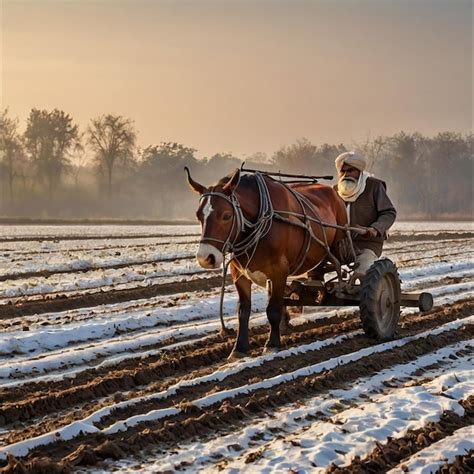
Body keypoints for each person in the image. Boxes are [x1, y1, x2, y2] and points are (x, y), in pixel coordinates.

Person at [334, 151, 396, 281]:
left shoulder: (374, 186)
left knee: (363, 271)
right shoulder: (335, 191)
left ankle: (364, 294)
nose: (346, 175)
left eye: (351, 171)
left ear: (359, 171)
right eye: (343, 171)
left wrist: (374, 229)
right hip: (340, 245)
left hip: (367, 244)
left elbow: (389, 212)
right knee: (314, 262)